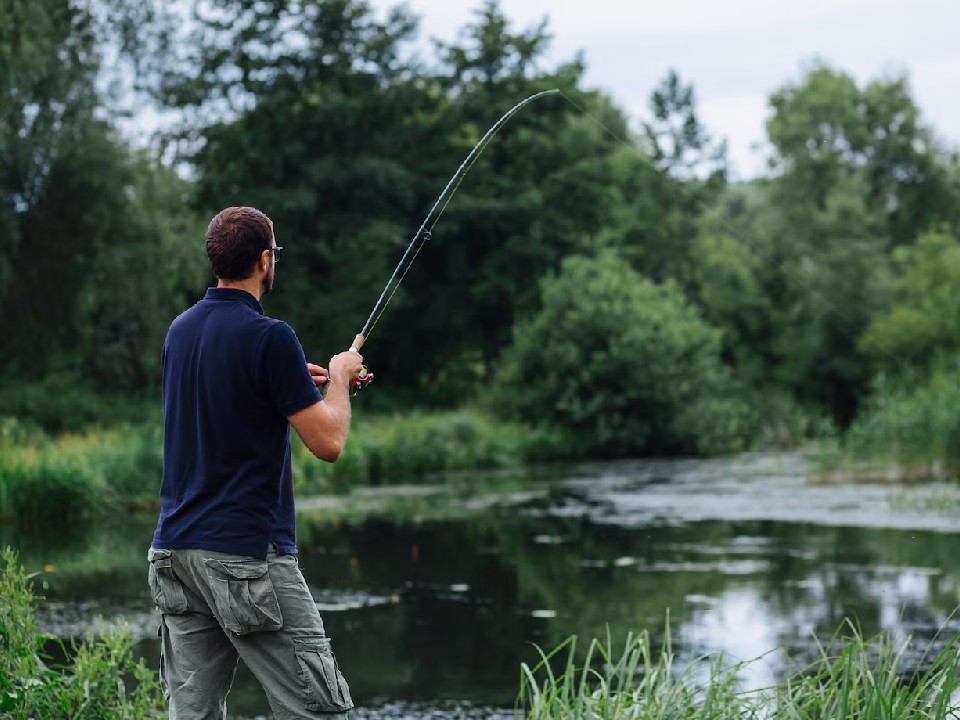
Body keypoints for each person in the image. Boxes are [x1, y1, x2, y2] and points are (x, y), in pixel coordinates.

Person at [147, 206, 364, 719]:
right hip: (244, 555)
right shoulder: (271, 336)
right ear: (265, 260)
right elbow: (329, 442)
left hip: (174, 554)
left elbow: (233, 397)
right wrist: (339, 376)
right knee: (320, 711)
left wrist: (291, 381)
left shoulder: (180, 331)